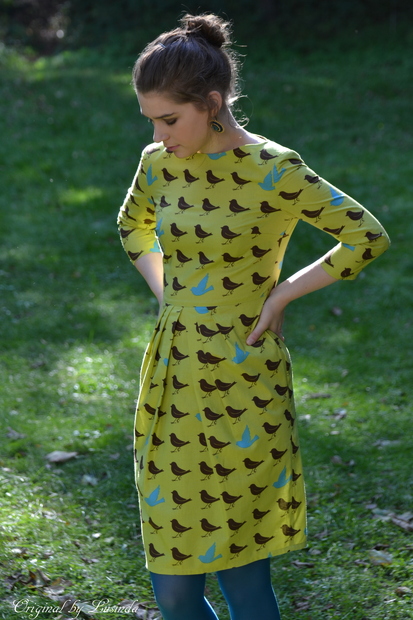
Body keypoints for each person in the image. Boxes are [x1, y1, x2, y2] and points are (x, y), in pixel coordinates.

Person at [117, 13, 390, 620]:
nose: (159, 134)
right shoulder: (158, 163)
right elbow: (131, 226)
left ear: (211, 104)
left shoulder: (274, 168)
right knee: (174, 590)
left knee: (243, 579)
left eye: (170, 119)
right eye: (151, 120)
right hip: (172, 377)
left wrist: (282, 294)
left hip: (245, 378)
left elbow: (366, 236)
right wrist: (170, 294)